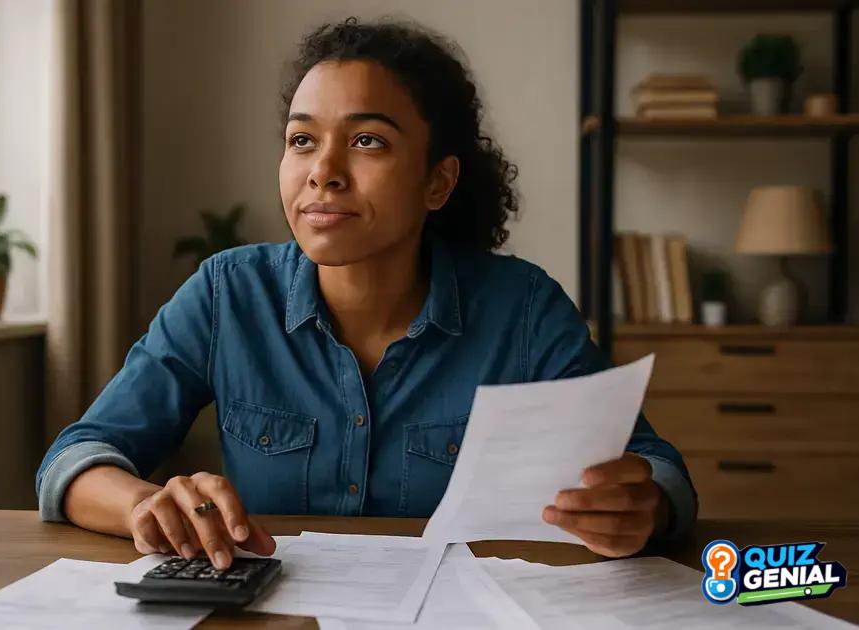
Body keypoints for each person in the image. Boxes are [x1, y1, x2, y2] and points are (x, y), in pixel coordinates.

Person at [37, 17, 697, 571]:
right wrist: (143, 505)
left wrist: (644, 505)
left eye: (366, 141)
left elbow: (654, 467)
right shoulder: (226, 294)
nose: (322, 173)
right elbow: (75, 458)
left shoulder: (521, 308)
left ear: (436, 183)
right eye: (302, 140)